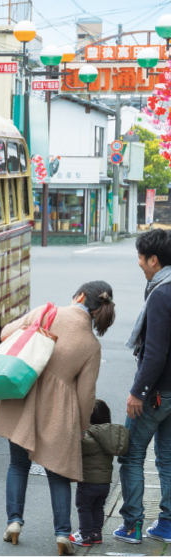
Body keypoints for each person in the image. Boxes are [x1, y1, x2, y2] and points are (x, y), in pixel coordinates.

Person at [0, 281, 114, 555]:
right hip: (58, 410)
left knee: (18, 465)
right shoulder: (91, 344)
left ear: (80, 296)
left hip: (23, 395)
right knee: (58, 475)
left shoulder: (47, 312)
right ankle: (61, 535)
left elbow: (6, 333)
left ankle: (14, 523)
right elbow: (86, 394)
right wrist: (80, 429)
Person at [116, 229, 171, 544]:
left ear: (154, 259)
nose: (138, 262)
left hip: (157, 393)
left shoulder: (162, 294)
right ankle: (166, 525)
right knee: (167, 456)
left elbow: (154, 354)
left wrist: (138, 392)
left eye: (140, 257)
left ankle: (132, 525)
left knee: (131, 454)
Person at [70, 400, 130, 546]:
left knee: (84, 507)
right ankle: (96, 534)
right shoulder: (109, 437)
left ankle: (84, 535)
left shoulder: (88, 437)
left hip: (88, 482)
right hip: (104, 483)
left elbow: (76, 447)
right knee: (98, 508)